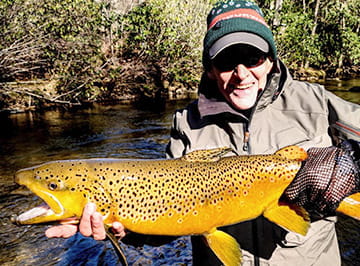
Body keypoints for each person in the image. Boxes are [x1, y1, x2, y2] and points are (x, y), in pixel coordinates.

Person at [46, 0, 360, 265]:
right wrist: (125, 228)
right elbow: (166, 218)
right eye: (226, 61)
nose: (241, 74)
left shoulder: (315, 103)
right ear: (209, 68)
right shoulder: (186, 124)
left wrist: (350, 164)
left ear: (271, 61)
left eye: (253, 58)